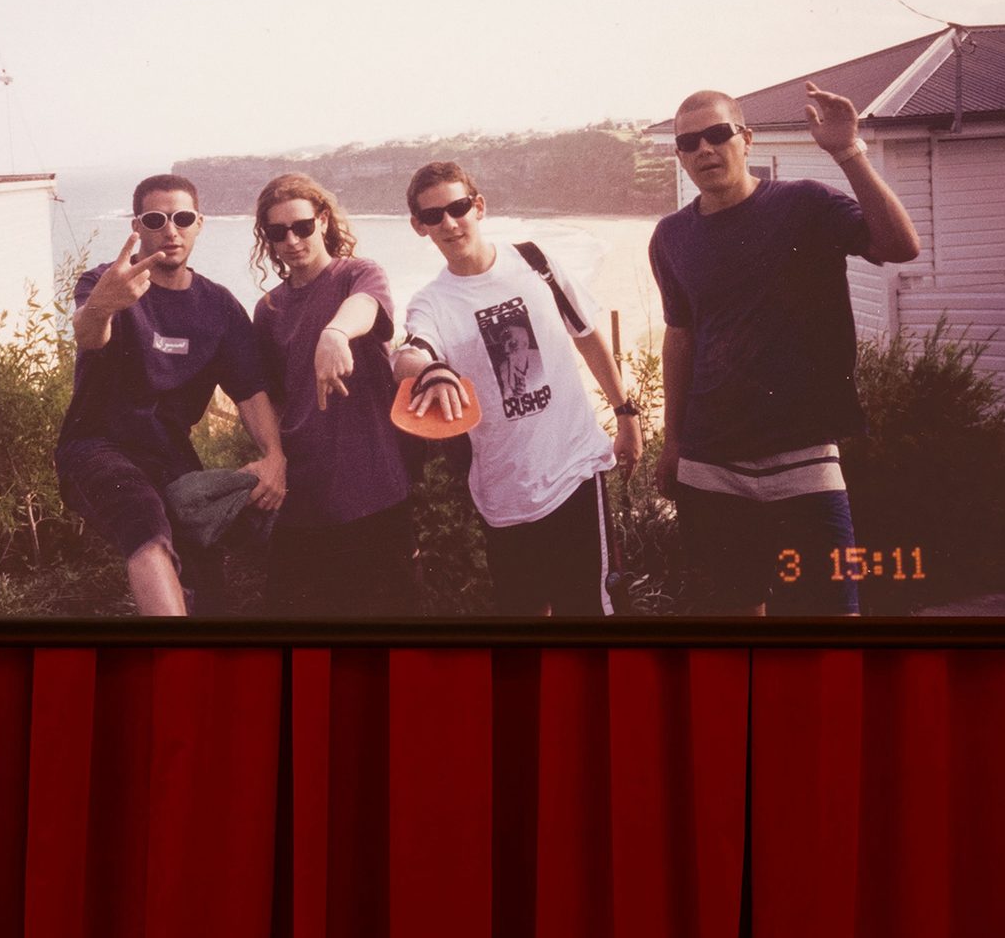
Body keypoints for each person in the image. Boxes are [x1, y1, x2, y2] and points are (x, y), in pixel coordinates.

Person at [649, 85, 921, 617]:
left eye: (718, 134)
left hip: (804, 458)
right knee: (737, 611)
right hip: (710, 463)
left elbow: (899, 247)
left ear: (746, 140)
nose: (704, 149)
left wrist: (848, 153)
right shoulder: (670, 236)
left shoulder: (805, 204)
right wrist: (672, 441)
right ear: (680, 155)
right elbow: (681, 336)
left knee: (835, 611)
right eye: (688, 142)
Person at [391, 162, 642, 618]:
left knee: (594, 613)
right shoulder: (430, 302)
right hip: (502, 497)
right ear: (418, 226)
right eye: (433, 216)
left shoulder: (534, 260)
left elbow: (586, 334)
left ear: (478, 206)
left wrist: (626, 413)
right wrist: (430, 372)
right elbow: (410, 354)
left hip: (575, 473)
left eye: (458, 207)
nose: (449, 223)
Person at [56, 173, 285, 617]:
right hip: (96, 445)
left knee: (206, 577)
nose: (170, 230)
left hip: (170, 457)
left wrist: (275, 456)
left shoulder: (218, 306)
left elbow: (250, 391)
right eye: (155, 219)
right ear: (136, 226)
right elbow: (87, 333)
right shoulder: (108, 281)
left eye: (181, 217)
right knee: (144, 522)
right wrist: (105, 305)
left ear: (199, 223)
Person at [250, 173, 417, 620]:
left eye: (302, 226)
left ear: (322, 220)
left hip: (373, 489)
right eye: (277, 232)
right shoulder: (268, 310)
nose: (291, 240)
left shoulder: (358, 275)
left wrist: (336, 333)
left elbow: (366, 307)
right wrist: (272, 458)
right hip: (303, 499)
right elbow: (269, 398)